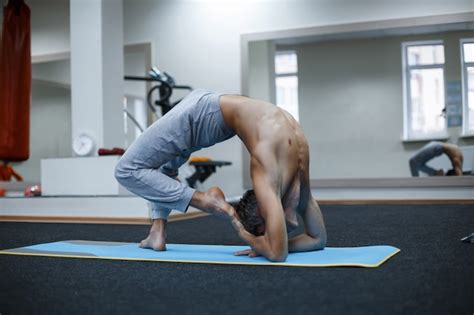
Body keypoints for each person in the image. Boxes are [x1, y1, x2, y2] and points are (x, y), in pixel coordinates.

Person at [115, 89, 327, 262]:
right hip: (199, 111)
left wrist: (266, 244)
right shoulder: (267, 163)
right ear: (265, 209)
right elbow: (277, 253)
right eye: (266, 231)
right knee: (126, 169)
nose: (273, 231)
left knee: (163, 168)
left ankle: (157, 233)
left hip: (214, 114)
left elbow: (317, 240)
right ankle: (203, 200)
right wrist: (246, 233)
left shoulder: (289, 167)